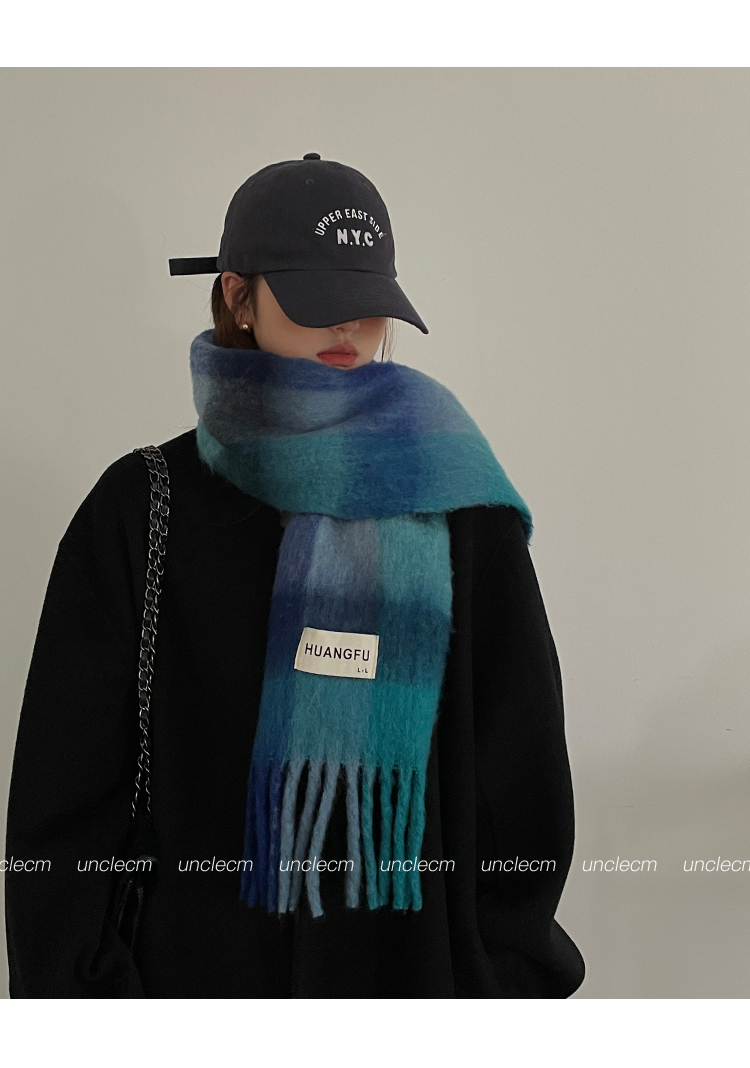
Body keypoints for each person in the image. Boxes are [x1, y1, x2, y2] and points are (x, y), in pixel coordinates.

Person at [5, 153, 585, 998]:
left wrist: (502, 992)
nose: (348, 324)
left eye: (368, 298)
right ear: (238, 297)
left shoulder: (460, 507)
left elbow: (524, 788)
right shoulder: (142, 508)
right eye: (316, 297)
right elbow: (64, 808)